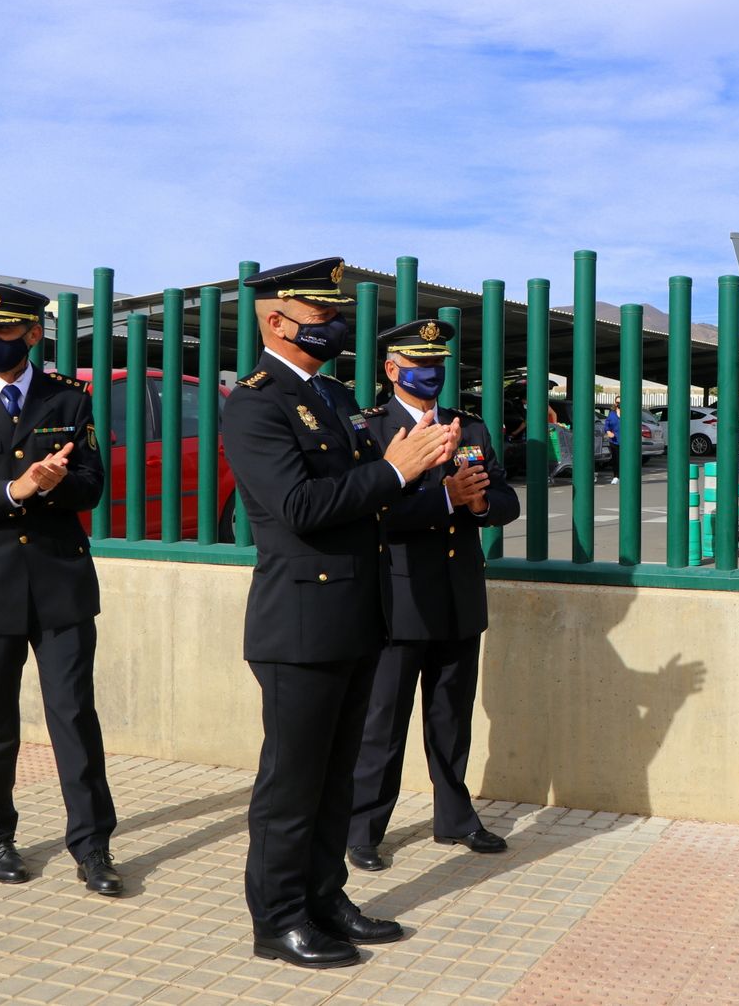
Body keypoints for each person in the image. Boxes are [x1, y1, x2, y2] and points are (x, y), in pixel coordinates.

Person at [221, 257, 456, 969]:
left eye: (333, 318)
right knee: (292, 784)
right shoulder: (255, 403)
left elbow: (369, 500)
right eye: (321, 318)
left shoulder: (327, 395)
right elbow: (298, 509)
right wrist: (397, 468)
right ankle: (279, 918)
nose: (333, 329)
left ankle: (325, 898)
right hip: (299, 624)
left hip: (356, 613)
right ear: (276, 320)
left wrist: (437, 487)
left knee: (334, 778)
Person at [0, 282, 123, 895]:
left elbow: (93, 483)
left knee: (73, 715)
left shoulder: (70, 397)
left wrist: (55, 482)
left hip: (60, 581)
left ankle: (91, 846)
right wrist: (17, 490)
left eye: (3, 333)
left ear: (33, 334)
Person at [347, 319, 521, 871]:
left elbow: (504, 500)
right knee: (383, 721)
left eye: (439, 362)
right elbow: (367, 513)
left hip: (458, 595)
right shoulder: (369, 431)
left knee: (451, 715)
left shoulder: (467, 427)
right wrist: (443, 499)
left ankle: (455, 817)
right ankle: (363, 828)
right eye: (420, 363)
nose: (433, 373)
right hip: (397, 600)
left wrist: (477, 506)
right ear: (392, 369)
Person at [605, 398, 621, 484]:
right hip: (614, 440)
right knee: (615, 459)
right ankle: (616, 476)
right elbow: (607, 425)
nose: (619, 404)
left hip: (626, 441)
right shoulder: (612, 414)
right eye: (617, 402)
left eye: (620, 402)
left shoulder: (629, 413)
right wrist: (608, 432)